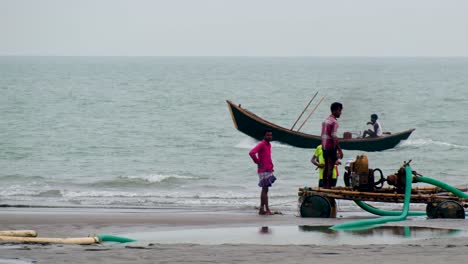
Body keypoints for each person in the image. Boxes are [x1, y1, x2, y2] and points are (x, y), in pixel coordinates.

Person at [249, 129, 276, 215]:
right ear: (264, 136)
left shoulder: (269, 145)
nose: (269, 137)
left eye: (270, 135)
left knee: (265, 190)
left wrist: (271, 167)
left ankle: (261, 209)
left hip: (268, 169)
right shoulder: (262, 144)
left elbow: (267, 157)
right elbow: (252, 153)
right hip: (263, 170)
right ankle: (267, 209)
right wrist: (257, 162)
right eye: (268, 135)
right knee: (265, 189)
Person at [321, 102, 343, 189]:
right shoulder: (334, 122)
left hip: (324, 147)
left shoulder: (325, 120)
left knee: (326, 167)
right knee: (330, 167)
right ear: (335, 110)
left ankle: (324, 186)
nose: (340, 113)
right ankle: (328, 187)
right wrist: (340, 150)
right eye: (339, 110)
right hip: (330, 147)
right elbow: (334, 136)